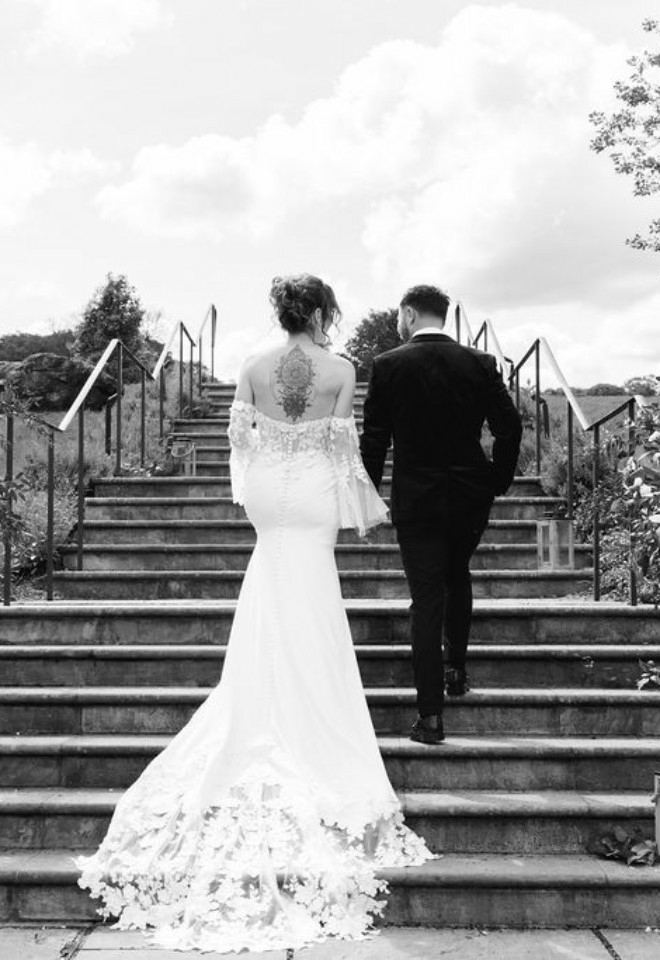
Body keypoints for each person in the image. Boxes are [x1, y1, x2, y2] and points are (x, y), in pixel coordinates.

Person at [76, 274, 432, 954]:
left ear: (280, 313)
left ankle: (260, 690)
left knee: (271, 569)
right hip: (317, 494)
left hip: (269, 493)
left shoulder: (251, 367)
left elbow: (241, 450)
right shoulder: (341, 367)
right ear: (322, 312)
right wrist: (361, 504)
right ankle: (309, 702)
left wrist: (262, 486)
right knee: (313, 582)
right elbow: (342, 448)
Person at [360, 285, 523, 746]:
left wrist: (368, 496)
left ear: (409, 313)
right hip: (470, 493)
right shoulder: (479, 363)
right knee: (459, 575)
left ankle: (431, 717)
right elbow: (509, 427)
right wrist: (497, 479)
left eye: (398, 315)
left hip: (416, 498)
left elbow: (374, 441)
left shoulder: (389, 366)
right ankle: (456, 671)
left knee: (426, 598)